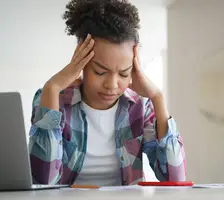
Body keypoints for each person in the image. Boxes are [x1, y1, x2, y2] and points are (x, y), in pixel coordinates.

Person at [28, 0, 186, 186]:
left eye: (124, 73)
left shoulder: (141, 106)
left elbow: (175, 180)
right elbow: (43, 181)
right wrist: (52, 88)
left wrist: (158, 98)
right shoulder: (52, 98)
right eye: (100, 72)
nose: (112, 85)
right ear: (81, 59)